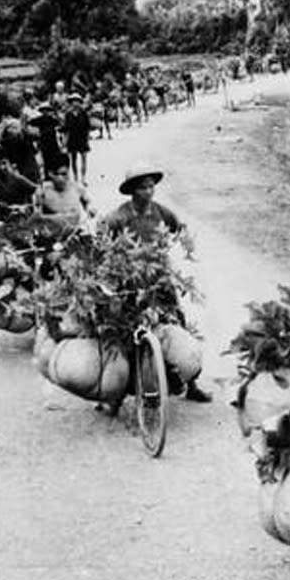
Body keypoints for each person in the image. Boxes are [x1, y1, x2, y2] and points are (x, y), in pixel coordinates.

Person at [101, 165, 212, 403]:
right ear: (133, 190)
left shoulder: (160, 213)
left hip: (158, 278)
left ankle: (192, 383)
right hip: (129, 281)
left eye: (151, 186)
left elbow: (179, 227)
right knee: (124, 331)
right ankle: (117, 393)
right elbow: (102, 241)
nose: (149, 191)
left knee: (177, 321)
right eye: (143, 188)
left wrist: (183, 242)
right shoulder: (119, 217)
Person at [38, 154, 94, 227]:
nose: (60, 178)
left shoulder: (77, 188)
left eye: (64, 174)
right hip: (52, 230)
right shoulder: (43, 191)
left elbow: (89, 204)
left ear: (68, 171)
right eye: (56, 174)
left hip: (74, 229)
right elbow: (36, 216)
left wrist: (90, 209)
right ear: (50, 174)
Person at [63, 93, 91, 185]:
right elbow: (66, 129)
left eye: (77, 101)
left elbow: (87, 127)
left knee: (84, 158)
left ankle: (83, 178)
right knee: (73, 159)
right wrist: (64, 141)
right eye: (73, 101)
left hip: (82, 138)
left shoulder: (84, 113)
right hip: (72, 138)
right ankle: (75, 178)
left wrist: (87, 140)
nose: (75, 103)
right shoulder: (68, 114)